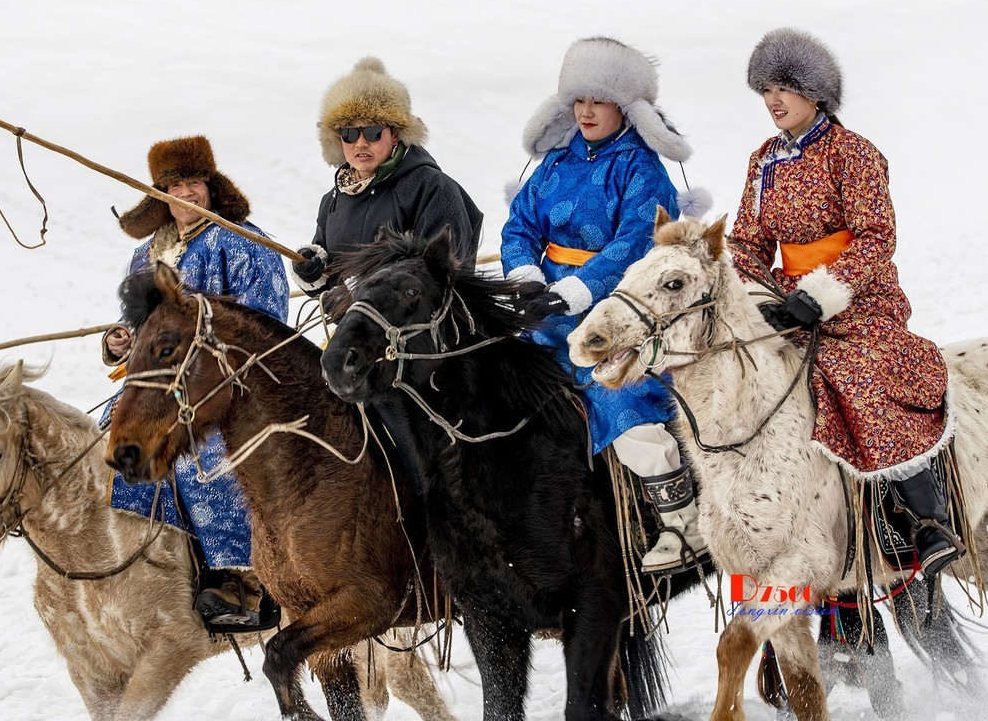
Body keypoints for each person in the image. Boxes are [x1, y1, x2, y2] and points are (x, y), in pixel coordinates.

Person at [731, 28, 962, 579]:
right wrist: (757, 293)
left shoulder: (853, 152)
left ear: (814, 92)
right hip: (787, 300)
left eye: (783, 87)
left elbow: (876, 236)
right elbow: (746, 242)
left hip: (859, 299)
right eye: (765, 90)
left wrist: (820, 295)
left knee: (859, 373)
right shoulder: (763, 161)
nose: (773, 100)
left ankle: (923, 519)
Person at [501, 36, 709, 575]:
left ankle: (682, 523)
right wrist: (525, 276)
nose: (586, 112)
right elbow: (518, 225)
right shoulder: (554, 162)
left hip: (618, 316)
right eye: (579, 100)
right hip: (543, 315)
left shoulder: (642, 169)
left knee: (625, 404)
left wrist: (578, 289)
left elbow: (637, 242)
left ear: (625, 107)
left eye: (599, 101)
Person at [100, 134, 289, 625]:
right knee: (106, 439)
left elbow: (266, 325)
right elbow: (138, 328)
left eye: (194, 182)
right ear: (159, 195)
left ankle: (243, 582)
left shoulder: (243, 242)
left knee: (199, 453)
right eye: (174, 185)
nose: (186, 193)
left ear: (211, 185)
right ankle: (155, 571)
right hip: (160, 388)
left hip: (233, 389)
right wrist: (120, 341)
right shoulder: (146, 257)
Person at [291, 56, 483, 294]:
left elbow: (439, 281)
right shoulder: (332, 200)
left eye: (373, 132)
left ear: (395, 135)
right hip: (347, 320)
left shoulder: (433, 189)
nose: (361, 143)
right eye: (349, 133)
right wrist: (312, 271)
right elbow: (325, 287)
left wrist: (356, 297)